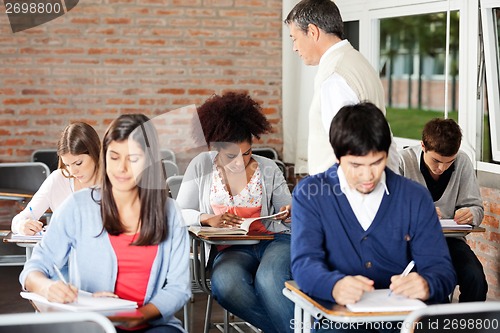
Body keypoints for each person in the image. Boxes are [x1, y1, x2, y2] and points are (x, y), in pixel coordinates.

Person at [291, 103, 456, 333]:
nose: (367, 176)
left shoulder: (415, 197)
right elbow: (304, 264)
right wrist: (334, 286)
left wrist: (427, 284)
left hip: (405, 322)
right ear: (338, 157)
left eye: (376, 163)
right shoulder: (311, 194)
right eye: (356, 165)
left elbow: (442, 270)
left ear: (387, 155)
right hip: (340, 322)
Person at [20, 114, 191, 333]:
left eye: (133, 158)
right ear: (104, 156)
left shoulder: (169, 212)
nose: (121, 168)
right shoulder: (77, 206)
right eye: (114, 157)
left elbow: (179, 288)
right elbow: (33, 270)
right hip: (94, 325)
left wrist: (140, 315)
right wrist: (47, 287)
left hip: (153, 325)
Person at [177, 92, 293, 333]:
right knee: (226, 285)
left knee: (270, 278)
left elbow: (289, 211)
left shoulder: (268, 168)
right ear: (214, 148)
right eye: (231, 156)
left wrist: (288, 211)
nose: (240, 162)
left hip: (274, 241)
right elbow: (177, 213)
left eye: (247, 153)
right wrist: (206, 218)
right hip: (230, 250)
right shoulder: (201, 165)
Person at [284, 0, 399, 175]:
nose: (294, 48)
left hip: (342, 192)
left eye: (295, 39)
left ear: (313, 32)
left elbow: (348, 150)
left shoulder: (334, 77)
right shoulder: (358, 61)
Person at [399, 118, 488, 302]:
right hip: (411, 243)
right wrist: (422, 213)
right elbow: (389, 211)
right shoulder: (402, 161)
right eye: (437, 161)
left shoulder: (462, 161)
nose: (442, 168)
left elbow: (476, 207)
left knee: (476, 279)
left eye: (449, 162)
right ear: (423, 145)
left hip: (450, 240)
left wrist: (471, 213)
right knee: (432, 288)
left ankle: (467, 328)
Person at [11, 122, 101, 235]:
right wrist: (21, 225)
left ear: (95, 152)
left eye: (78, 163)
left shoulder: (113, 181)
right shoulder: (58, 179)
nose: (73, 172)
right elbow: (19, 220)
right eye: (67, 165)